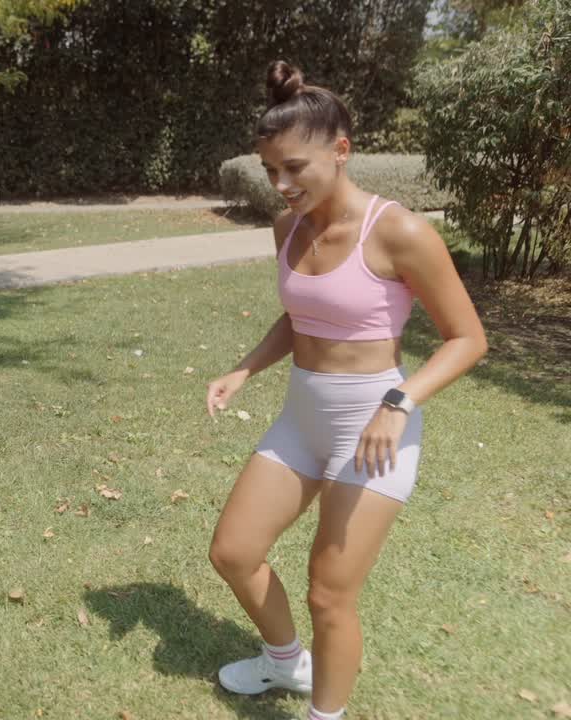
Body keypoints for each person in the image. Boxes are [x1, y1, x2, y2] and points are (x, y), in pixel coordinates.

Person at [204, 60, 487, 720]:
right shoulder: (288, 228)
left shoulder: (400, 232)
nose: (281, 185)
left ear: (341, 150)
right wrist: (245, 368)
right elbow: (302, 315)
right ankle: (285, 663)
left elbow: (468, 339)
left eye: (294, 168)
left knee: (330, 595)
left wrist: (400, 402)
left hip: (373, 428)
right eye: (270, 170)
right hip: (302, 417)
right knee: (234, 552)